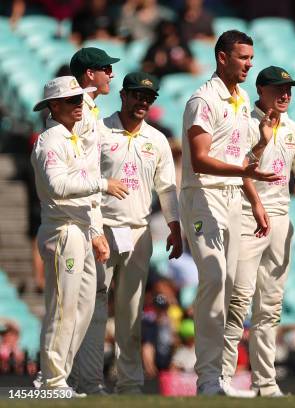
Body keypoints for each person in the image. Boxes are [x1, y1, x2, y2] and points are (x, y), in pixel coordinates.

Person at [221, 65, 295, 397]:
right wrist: (256, 201)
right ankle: (224, 379)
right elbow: (237, 170)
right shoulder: (243, 124)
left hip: (281, 220)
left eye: (289, 89)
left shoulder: (294, 129)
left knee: (270, 306)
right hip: (246, 217)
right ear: (261, 90)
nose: (286, 94)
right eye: (279, 88)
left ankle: (265, 383)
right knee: (238, 300)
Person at [179, 29, 280, 396]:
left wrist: (262, 143)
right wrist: (245, 172)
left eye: (251, 58)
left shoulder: (240, 100)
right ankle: (206, 378)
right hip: (203, 196)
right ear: (222, 57)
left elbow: (242, 160)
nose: (249, 65)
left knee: (234, 287)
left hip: (234, 197)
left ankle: (219, 377)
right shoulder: (203, 99)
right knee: (215, 278)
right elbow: (200, 160)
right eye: (243, 57)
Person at [31, 76, 126, 392]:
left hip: (82, 231)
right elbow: (58, 186)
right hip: (62, 232)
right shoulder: (51, 140)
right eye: (72, 101)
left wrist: (96, 230)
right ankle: (51, 379)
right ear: (54, 106)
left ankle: (60, 377)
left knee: (84, 309)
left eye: (81, 100)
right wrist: (102, 184)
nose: (79, 106)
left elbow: (86, 196)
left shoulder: (76, 138)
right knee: (63, 308)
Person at [94, 71, 182, 393]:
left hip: (139, 231)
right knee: (94, 307)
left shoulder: (157, 139)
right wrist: (91, 228)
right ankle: (88, 380)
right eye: (137, 95)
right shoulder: (100, 131)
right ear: (124, 95)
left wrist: (174, 227)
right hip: (102, 229)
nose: (142, 102)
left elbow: (168, 190)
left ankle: (129, 383)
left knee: (131, 312)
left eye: (148, 98)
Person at [67, 46, 123, 396]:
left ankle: (87, 380)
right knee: (75, 306)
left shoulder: (89, 110)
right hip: (75, 219)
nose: (111, 75)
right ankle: (58, 381)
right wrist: (93, 229)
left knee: (92, 305)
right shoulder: (77, 112)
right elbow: (77, 172)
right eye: (105, 69)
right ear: (89, 74)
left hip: (88, 215)